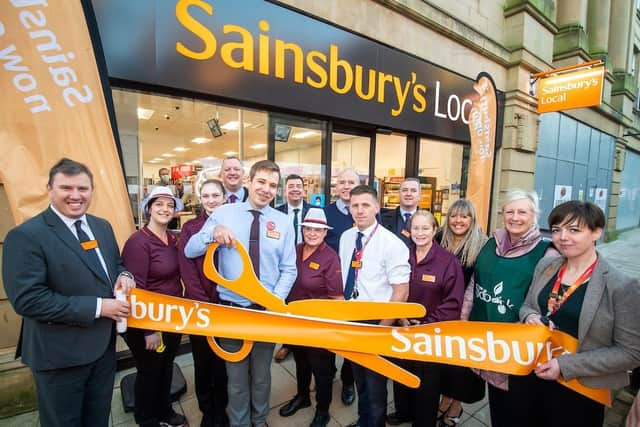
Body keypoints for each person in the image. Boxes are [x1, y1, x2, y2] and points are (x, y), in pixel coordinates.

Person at [2, 158, 135, 427]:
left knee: (97, 419)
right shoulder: (26, 236)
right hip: (59, 357)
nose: (76, 195)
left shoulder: (102, 227)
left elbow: (116, 265)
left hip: (102, 350)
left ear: (92, 191)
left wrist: (125, 275)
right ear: (50, 189)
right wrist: (100, 307)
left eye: (83, 189)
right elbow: (29, 300)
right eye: (66, 188)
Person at [184, 160, 297, 427]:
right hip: (232, 311)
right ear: (249, 181)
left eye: (272, 185)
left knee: (261, 378)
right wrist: (212, 232)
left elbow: (289, 269)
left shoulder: (283, 221)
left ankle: (259, 422)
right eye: (261, 182)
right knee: (235, 381)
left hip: (265, 314)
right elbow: (190, 249)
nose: (266, 189)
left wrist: (273, 303)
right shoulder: (224, 213)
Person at [513, 201, 640, 427]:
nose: (563, 237)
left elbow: (630, 352)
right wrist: (529, 317)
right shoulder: (547, 265)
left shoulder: (621, 286)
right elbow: (527, 306)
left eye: (574, 230)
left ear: (596, 232)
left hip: (579, 390)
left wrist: (565, 366)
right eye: (556, 230)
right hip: (531, 376)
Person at [464, 189, 554, 427]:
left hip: (517, 348)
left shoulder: (548, 252)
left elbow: (548, 304)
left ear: (534, 215)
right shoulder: (491, 242)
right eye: (509, 211)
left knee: (518, 409)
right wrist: (462, 325)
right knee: (498, 407)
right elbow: (474, 285)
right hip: (484, 341)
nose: (515, 217)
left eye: (522, 212)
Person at [338, 185, 410, 427]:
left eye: (365, 205)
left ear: (377, 208)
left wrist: (382, 328)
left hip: (378, 322)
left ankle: (374, 423)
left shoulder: (392, 243)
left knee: (376, 385)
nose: (359, 210)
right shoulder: (347, 237)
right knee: (360, 379)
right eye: (354, 205)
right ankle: (363, 421)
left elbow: (401, 291)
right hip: (353, 318)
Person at [387, 210, 464, 426]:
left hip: (430, 334)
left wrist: (425, 324)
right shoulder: (402, 255)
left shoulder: (448, 262)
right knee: (401, 375)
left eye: (425, 228)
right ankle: (404, 412)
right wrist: (400, 317)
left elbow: (453, 303)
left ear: (435, 230)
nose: (420, 233)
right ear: (409, 230)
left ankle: (422, 421)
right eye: (415, 228)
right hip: (401, 329)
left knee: (427, 385)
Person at [121, 186, 186, 427]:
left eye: (169, 205)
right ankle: (146, 418)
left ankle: (165, 410)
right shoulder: (138, 243)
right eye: (158, 204)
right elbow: (136, 290)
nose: (164, 209)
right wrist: (149, 330)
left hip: (171, 317)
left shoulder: (172, 239)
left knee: (166, 366)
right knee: (149, 371)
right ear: (148, 208)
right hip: (148, 323)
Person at [278, 208, 344, 427]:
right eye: (308, 228)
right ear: (303, 230)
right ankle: (303, 396)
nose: (313, 233)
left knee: (322, 370)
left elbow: (337, 298)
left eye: (318, 230)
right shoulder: (294, 250)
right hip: (295, 321)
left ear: (325, 233)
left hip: (318, 325)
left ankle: (322, 409)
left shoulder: (330, 257)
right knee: (301, 362)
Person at [178, 179, 229, 427]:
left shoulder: (233, 223)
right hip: (200, 307)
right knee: (202, 360)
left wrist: (223, 301)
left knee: (223, 360)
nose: (211, 200)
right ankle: (207, 409)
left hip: (227, 305)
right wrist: (203, 303)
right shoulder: (190, 228)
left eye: (215, 195)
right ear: (201, 198)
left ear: (224, 197)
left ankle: (222, 408)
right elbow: (187, 269)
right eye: (206, 196)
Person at [434, 199, 488, 427]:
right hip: (441, 311)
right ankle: (444, 397)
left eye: (464, 216)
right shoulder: (438, 239)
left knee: (462, 366)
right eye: (454, 216)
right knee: (443, 362)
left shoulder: (483, 246)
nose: (458, 221)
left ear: (472, 219)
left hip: (466, 314)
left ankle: (456, 404)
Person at [323, 168, 360, 405]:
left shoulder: (363, 212)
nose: (346, 186)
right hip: (328, 287)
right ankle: (326, 375)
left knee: (351, 338)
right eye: (342, 182)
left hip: (356, 287)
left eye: (351, 182)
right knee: (326, 336)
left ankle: (348, 381)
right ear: (336, 186)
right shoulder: (324, 213)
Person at [274, 173, 312, 363]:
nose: (295, 189)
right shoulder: (276, 212)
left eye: (299, 185)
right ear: (285, 190)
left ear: (304, 189)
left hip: (308, 265)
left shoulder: (314, 211)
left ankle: (306, 341)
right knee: (287, 304)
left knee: (304, 304)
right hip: (283, 265)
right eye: (291, 186)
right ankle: (288, 343)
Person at [381, 177, 420, 247]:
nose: (408, 194)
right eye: (404, 190)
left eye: (413, 190)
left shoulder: (429, 220)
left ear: (420, 195)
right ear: (399, 194)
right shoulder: (382, 219)